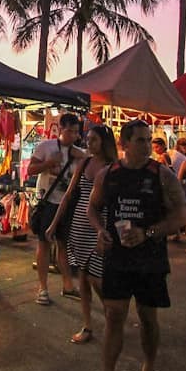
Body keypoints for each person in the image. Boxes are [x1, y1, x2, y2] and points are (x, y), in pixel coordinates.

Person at [80, 119, 186, 371]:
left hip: (149, 258)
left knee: (148, 317)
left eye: (148, 139)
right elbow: (93, 207)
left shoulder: (162, 175)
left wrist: (149, 233)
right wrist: (100, 230)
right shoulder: (108, 174)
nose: (147, 145)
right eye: (140, 140)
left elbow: (180, 216)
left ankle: (148, 369)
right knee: (114, 315)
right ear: (124, 144)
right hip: (117, 256)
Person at [47, 124, 118, 344]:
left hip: (101, 226)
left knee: (96, 279)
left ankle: (113, 317)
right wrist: (53, 224)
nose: (88, 143)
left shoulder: (113, 167)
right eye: (88, 139)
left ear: (104, 142)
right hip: (79, 224)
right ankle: (88, 324)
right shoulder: (85, 163)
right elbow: (68, 196)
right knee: (84, 281)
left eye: (93, 139)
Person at [28, 112, 84, 304]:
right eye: (70, 131)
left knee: (63, 244)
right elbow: (31, 170)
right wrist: (49, 163)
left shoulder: (78, 152)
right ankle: (42, 288)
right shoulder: (46, 146)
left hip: (67, 203)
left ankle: (68, 285)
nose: (73, 135)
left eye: (76, 132)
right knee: (44, 243)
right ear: (60, 129)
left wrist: (83, 157)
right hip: (48, 201)